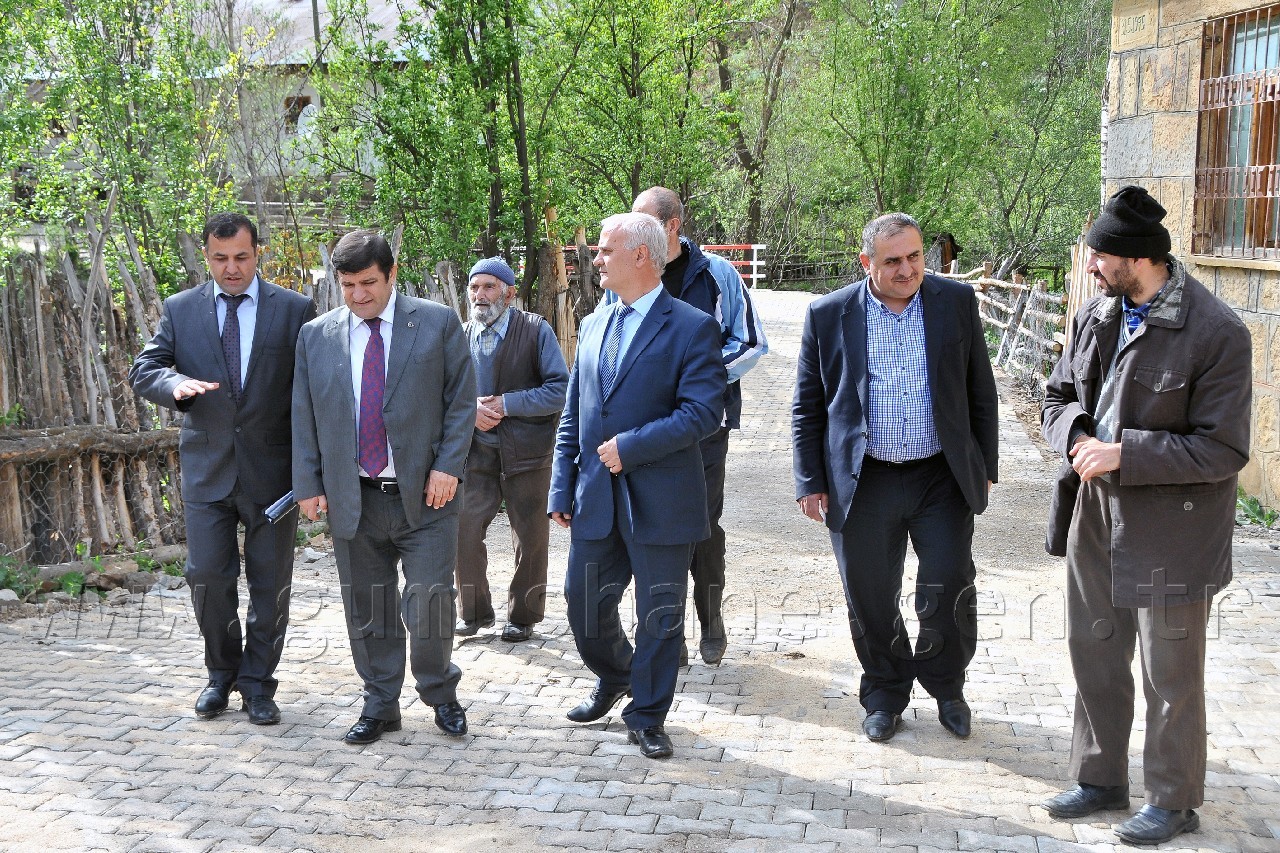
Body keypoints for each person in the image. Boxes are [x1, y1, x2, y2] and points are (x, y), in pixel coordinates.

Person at [1041, 186, 1250, 846]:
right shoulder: (1095, 313)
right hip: (1095, 512)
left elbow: (1223, 449)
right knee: (1094, 648)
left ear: (1137, 259)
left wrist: (1123, 452)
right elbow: (1057, 397)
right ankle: (1099, 777)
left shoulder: (1216, 332)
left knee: (1170, 672)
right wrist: (1077, 436)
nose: (1091, 264)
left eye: (1100, 255)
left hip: (1175, 529)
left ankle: (1173, 799)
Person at [792, 212, 998, 744]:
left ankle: (947, 688)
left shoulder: (955, 302)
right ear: (867, 262)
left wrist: (985, 466)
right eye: (893, 261)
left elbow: (981, 389)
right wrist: (809, 480)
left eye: (915, 257)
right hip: (863, 479)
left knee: (949, 583)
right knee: (870, 593)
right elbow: (808, 406)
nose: (907, 270)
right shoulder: (829, 314)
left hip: (940, 476)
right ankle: (884, 692)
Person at [550, 212, 725, 759]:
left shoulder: (693, 326)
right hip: (595, 496)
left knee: (660, 615)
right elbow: (574, 414)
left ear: (641, 256)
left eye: (605, 250)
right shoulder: (594, 323)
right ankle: (618, 674)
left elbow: (703, 413)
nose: (595, 259)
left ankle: (647, 714)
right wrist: (561, 486)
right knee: (583, 603)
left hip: (664, 498)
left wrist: (632, 446)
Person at [129, 212, 316, 725]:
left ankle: (258, 684)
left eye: (241, 257)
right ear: (206, 257)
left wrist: (311, 472)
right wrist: (175, 386)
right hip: (207, 470)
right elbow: (145, 369)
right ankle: (221, 674)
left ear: (258, 254)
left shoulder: (294, 309)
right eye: (220, 258)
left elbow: (312, 392)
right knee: (207, 577)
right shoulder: (181, 309)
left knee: (270, 584)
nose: (231, 268)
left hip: (273, 475)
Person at [291, 229, 476, 745]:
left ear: (392, 274)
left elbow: (462, 402)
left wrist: (448, 467)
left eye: (368, 283)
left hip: (427, 496)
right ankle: (380, 705)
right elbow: (303, 415)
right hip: (353, 497)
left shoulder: (436, 323)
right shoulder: (316, 336)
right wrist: (308, 482)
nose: (358, 295)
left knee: (431, 602)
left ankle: (439, 692)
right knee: (368, 608)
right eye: (348, 285)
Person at [620, 186, 768, 666]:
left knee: (702, 526)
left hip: (703, 427)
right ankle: (667, 632)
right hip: (644, 429)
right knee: (651, 527)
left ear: (671, 226)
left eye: (644, 221)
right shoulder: (630, 273)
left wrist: (694, 376)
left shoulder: (717, 275)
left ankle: (711, 619)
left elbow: (750, 342)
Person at [455, 256, 568, 642]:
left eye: (489, 286)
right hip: (475, 453)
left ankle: (523, 616)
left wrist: (507, 404)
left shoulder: (535, 331)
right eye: (474, 287)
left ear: (509, 293)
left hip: (528, 454)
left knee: (531, 538)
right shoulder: (461, 335)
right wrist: (470, 409)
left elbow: (559, 390)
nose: (480, 295)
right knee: (463, 528)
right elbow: (444, 392)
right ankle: (474, 612)